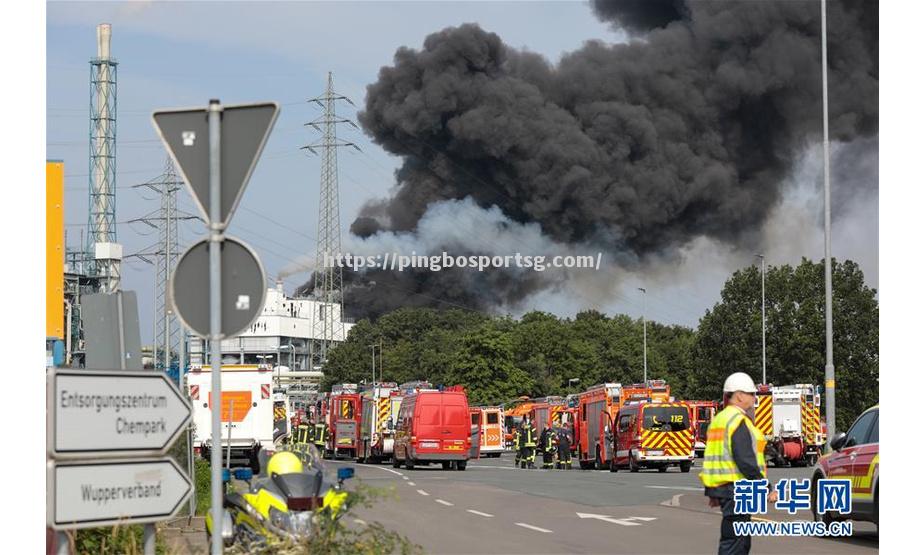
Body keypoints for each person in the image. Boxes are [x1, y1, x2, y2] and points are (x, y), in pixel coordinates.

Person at [700, 372, 778, 555]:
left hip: (726, 488)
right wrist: (766, 486)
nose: (754, 398)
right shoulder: (737, 421)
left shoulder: (719, 419)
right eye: (752, 394)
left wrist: (713, 492)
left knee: (739, 539)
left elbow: (713, 458)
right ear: (739, 395)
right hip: (736, 488)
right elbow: (745, 460)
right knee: (736, 542)